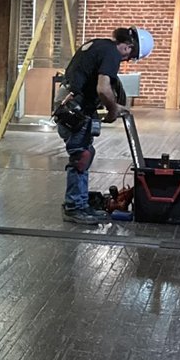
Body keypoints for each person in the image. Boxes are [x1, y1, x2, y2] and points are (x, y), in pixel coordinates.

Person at [54, 26, 154, 224]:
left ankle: (80, 202)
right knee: (81, 156)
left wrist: (113, 106)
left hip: (72, 105)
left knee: (84, 153)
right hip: (74, 108)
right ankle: (75, 207)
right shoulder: (112, 53)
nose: (127, 60)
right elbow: (103, 88)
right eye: (131, 56)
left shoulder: (100, 45)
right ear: (128, 46)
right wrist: (113, 110)